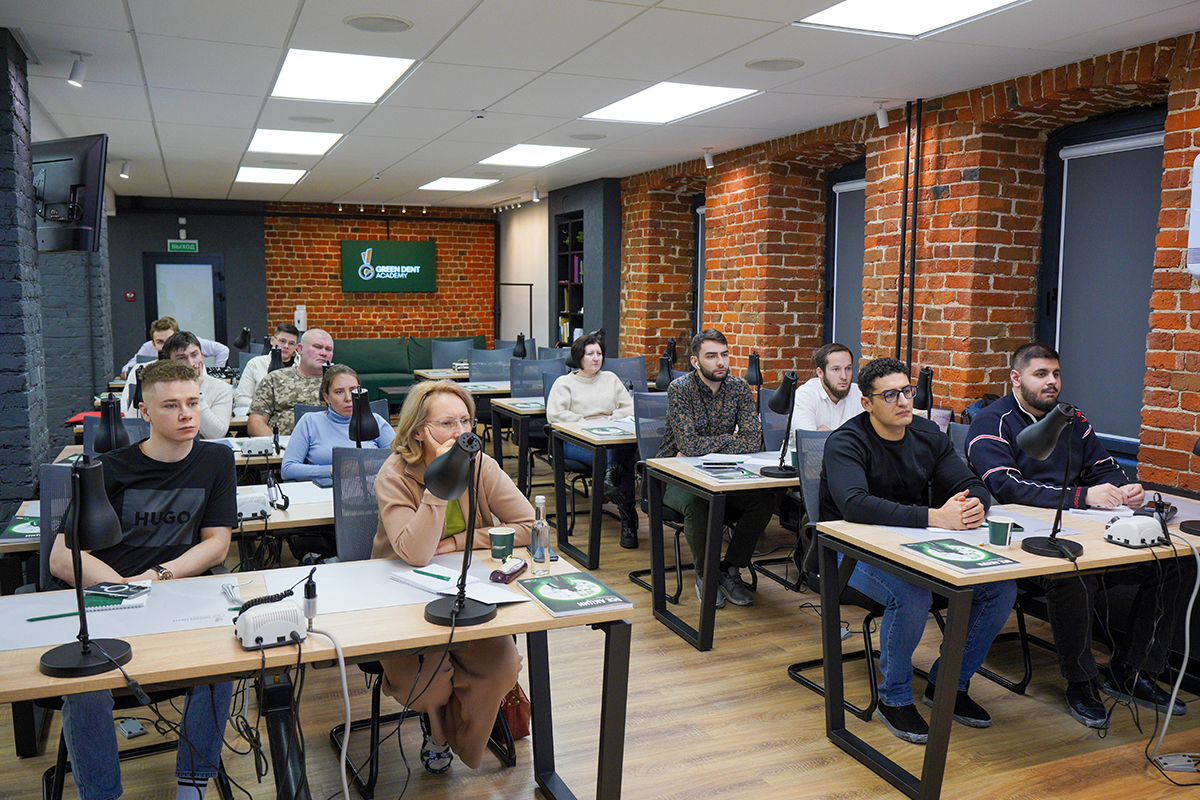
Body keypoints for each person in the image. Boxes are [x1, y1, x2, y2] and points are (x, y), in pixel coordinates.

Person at [966, 341, 1187, 726]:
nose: (1051, 382)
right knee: (1074, 573)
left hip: (1082, 530)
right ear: (1015, 378)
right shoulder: (991, 421)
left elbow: (1104, 467)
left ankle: (1131, 671)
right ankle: (1081, 681)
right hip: (1020, 542)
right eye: (1040, 374)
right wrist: (1083, 496)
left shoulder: (1072, 419)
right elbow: (1006, 486)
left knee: (1171, 564)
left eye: (1056, 373)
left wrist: (1126, 489)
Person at [49, 358, 237, 800]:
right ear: (144, 412)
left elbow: (216, 545)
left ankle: (192, 785)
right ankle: (102, 795)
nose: (187, 414)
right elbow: (62, 558)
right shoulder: (108, 469)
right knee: (87, 689)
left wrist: (157, 578)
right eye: (171, 405)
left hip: (175, 598)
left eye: (193, 402)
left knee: (223, 664)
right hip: (109, 601)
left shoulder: (216, 459)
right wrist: (125, 589)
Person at [820, 356, 1017, 744]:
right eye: (890, 395)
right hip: (846, 551)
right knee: (911, 594)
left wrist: (976, 504)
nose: (903, 401)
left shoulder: (928, 435)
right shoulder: (846, 441)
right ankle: (893, 696)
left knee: (999, 588)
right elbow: (854, 505)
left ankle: (949, 683)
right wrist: (935, 517)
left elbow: (971, 483)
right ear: (867, 403)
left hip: (913, 544)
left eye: (907, 391)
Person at [371, 380, 531, 773]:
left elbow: (527, 524)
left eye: (466, 421)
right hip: (403, 595)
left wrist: (459, 541)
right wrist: (439, 484)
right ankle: (438, 733)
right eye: (446, 423)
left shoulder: (481, 465)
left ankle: (455, 738)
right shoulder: (394, 474)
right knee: (424, 682)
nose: (460, 433)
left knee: (502, 666)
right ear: (418, 431)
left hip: (468, 588)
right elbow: (416, 553)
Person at [659, 329, 782, 608]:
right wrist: (730, 439)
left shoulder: (739, 388)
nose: (720, 362)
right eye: (711, 356)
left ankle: (730, 568)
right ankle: (706, 574)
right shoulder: (680, 389)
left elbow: (752, 441)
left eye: (724, 355)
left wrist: (712, 445)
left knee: (764, 499)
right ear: (695, 361)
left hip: (724, 473)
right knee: (700, 502)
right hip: (672, 474)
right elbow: (688, 445)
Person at [546, 333, 639, 548]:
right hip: (575, 442)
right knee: (620, 459)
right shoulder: (564, 383)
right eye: (590, 354)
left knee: (622, 450)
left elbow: (630, 407)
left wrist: (614, 416)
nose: (596, 358)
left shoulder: (610, 379)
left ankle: (610, 479)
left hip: (609, 435)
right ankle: (628, 517)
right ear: (579, 357)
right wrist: (585, 422)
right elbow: (555, 415)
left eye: (599, 353)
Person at [282, 364, 394, 480]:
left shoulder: (375, 421)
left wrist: (367, 466)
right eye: (339, 392)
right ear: (327, 398)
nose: (348, 398)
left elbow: (399, 459)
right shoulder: (309, 422)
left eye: (353, 390)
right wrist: (334, 470)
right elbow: (288, 469)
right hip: (325, 488)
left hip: (372, 486)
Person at [121, 331, 233, 440]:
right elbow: (133, 428)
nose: (191, 363)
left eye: (194, 355)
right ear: (168, 362)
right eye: (181, 358)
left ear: (202, 355)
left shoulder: (221, 388)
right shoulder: (155, 388)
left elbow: (216, 434)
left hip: (202, 449)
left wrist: (196, 392)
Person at [247, 328, 334, 436]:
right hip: (283, 444)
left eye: (328, 349)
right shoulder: (275, 379)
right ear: (300, 349)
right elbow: (255, 422)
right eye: (317, 347)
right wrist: (277, 443)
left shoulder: (339, 382)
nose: (324, 353)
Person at [788, 342, 863, 446]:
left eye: (848, 368)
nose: (844, 376)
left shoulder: (859, 393)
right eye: (836, 369)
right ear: (820, 373)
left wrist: (825, 436)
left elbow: (867, 439)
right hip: (803, 456)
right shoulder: (805, 394)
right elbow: (807, 442)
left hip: (846, 455)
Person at [120, 316, 229, 379]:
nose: (165, 346)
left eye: (169, 339)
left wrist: (217, 371)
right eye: (160, 342)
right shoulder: (147, 347)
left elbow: (222, 350)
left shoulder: (191, 343)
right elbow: (132, 364)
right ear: (153, 344)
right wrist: (126, 370)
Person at [233, 323, 300, 412]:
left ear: (296, 347)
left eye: (291, 343)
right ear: (272, 341)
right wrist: (264, 406)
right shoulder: (255, 364)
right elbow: (240, 399)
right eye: (282, 341)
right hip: (262, 414)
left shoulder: (303, 365)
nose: (286, 346)